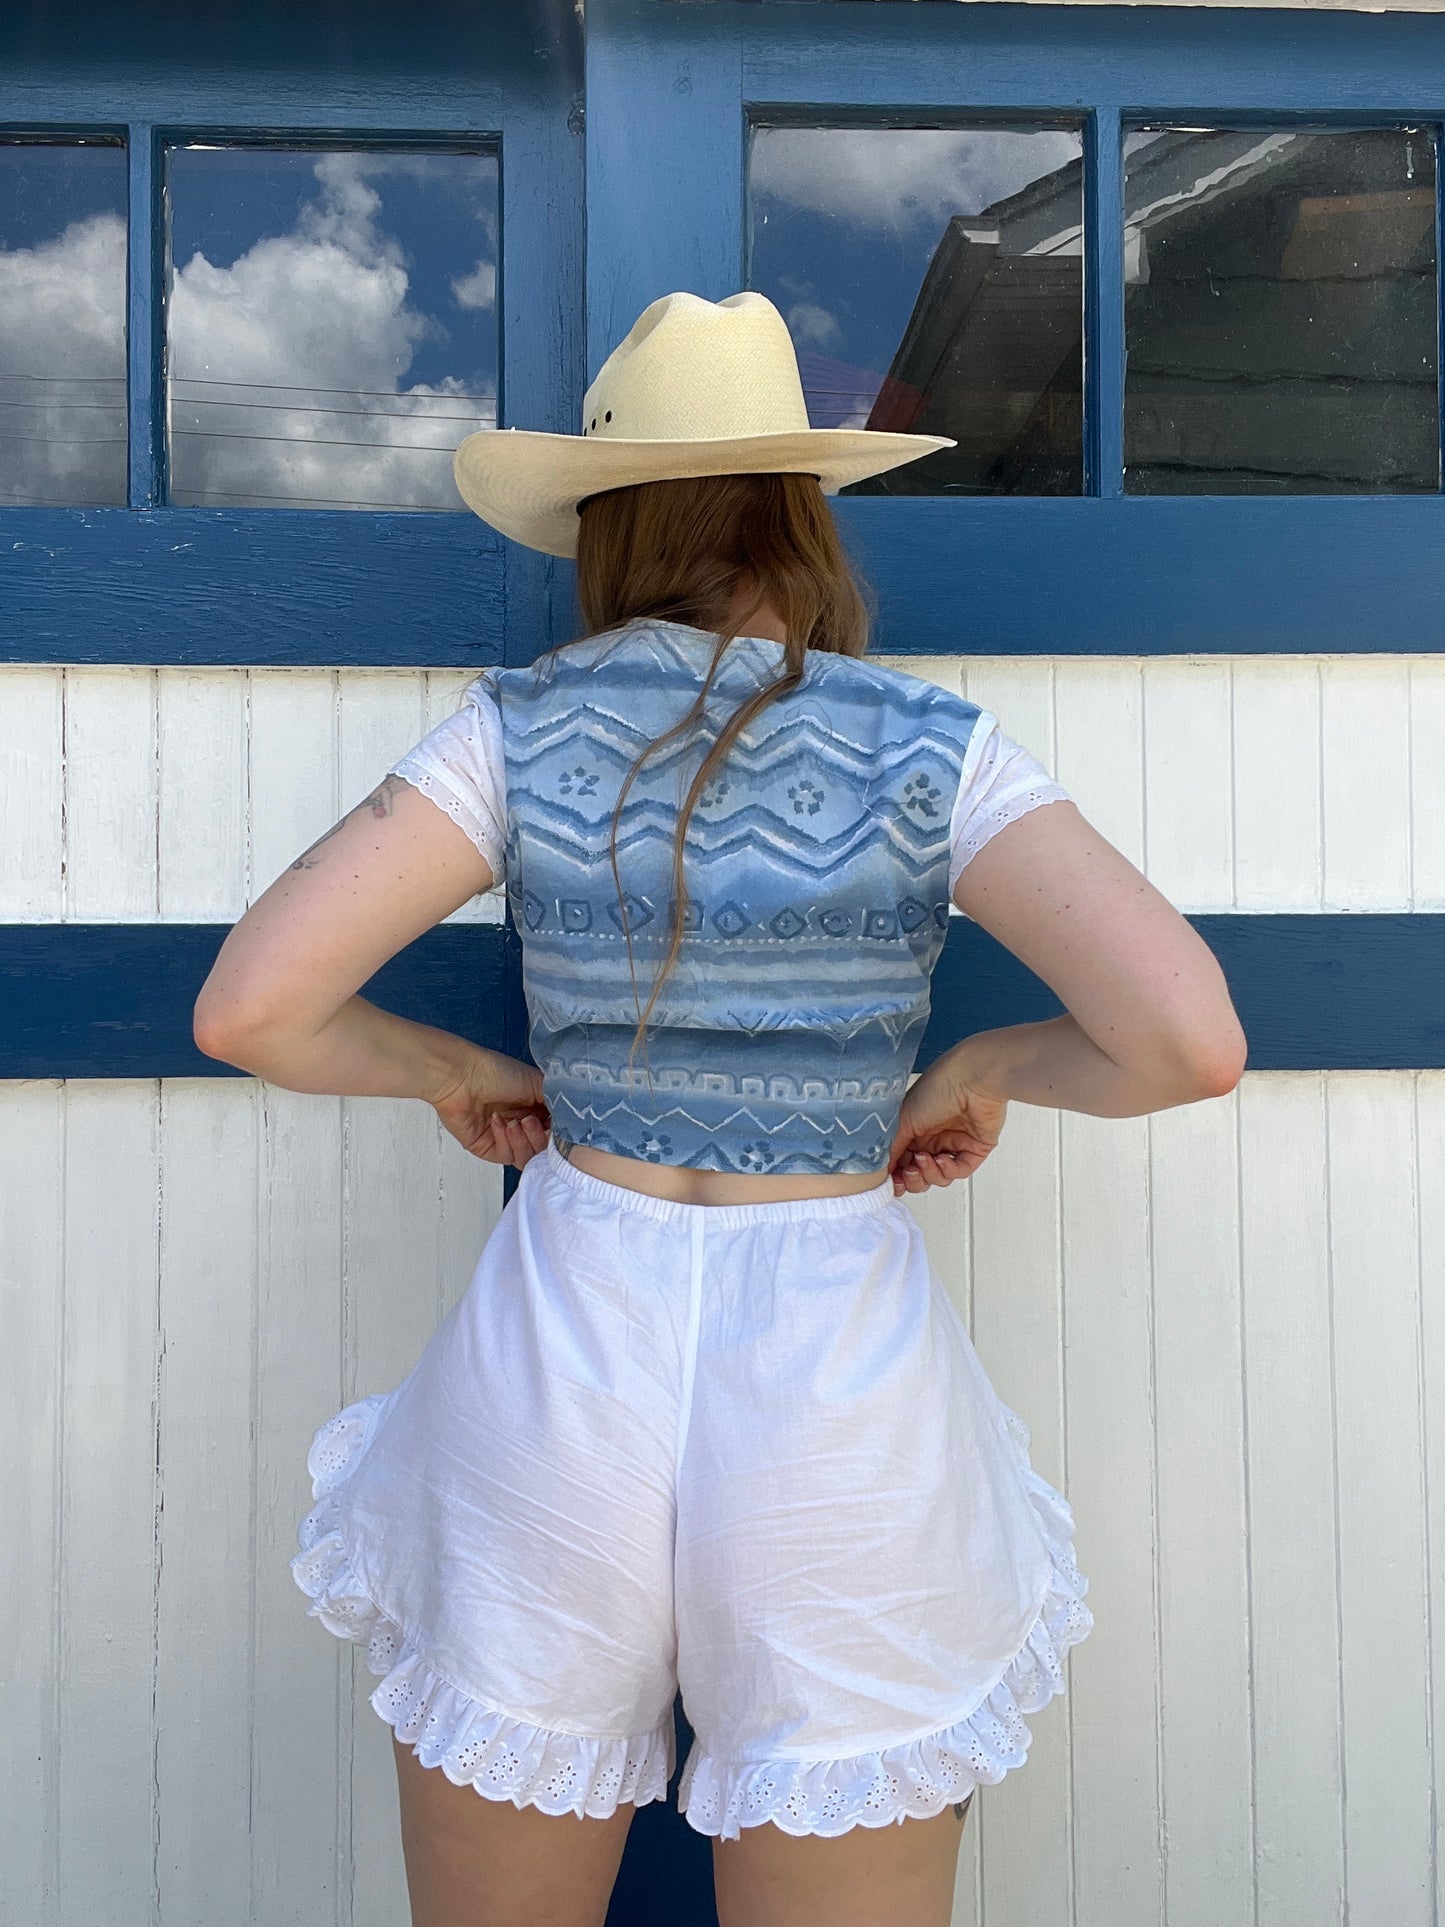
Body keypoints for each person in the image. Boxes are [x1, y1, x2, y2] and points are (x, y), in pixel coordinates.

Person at [193, 291, 1247, 1927]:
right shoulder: (930, 749)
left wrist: (453, 1070)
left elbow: (252, 1006)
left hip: (563, 1356)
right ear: (802, 510)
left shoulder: (516, 730)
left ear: (608, 528)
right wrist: (981, 1072)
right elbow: (1186, 1041)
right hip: (834, 1375)